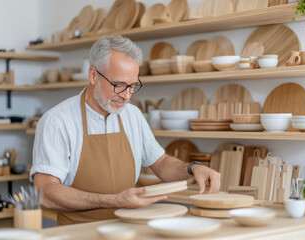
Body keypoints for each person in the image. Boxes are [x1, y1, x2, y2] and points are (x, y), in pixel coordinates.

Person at [31, 35, 221, 226]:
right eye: (119, 85)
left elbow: (161, 163)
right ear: (93, 75)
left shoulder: (133, 115)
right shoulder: (58, 121)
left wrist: (193, 168)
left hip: (128, 230)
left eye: (132, 85)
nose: (127, 95)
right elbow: (45, 192)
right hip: (78, 233)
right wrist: (113, 201)